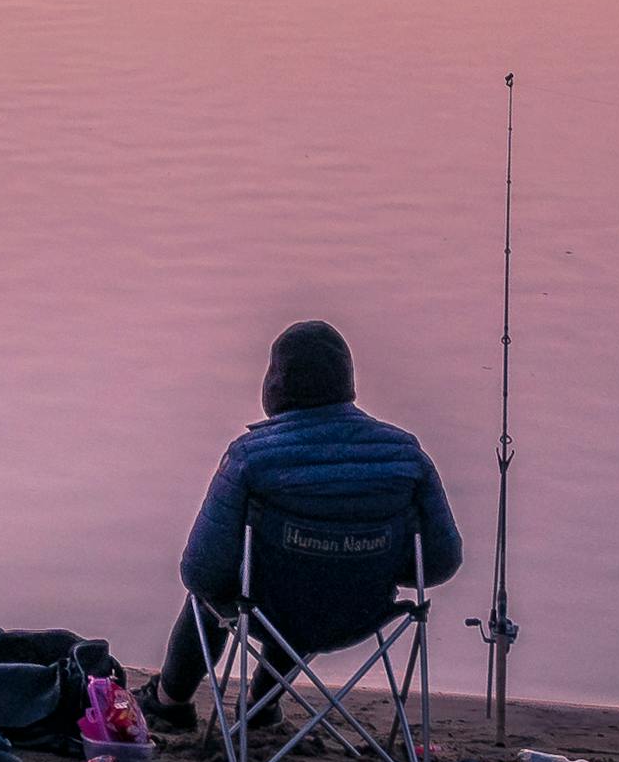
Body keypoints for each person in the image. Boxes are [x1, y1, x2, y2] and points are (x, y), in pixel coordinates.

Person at [142, 316, 463, 738]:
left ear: (275, 384)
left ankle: (171, 703)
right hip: (362, 611)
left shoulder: (249, 458)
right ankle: (259, 704)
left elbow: (201, 572)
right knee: (315, 578)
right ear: (348, 380)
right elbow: (440, 563)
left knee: (243, 587)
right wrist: (365, 556)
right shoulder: (405, 455)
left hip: (276, 609)